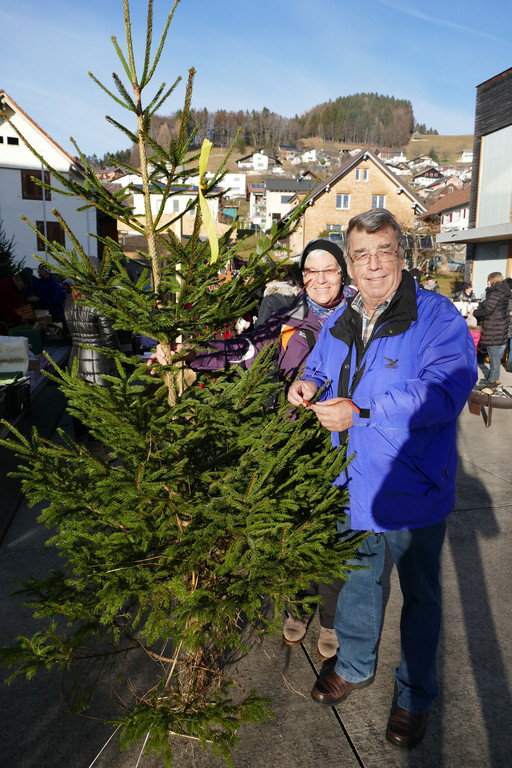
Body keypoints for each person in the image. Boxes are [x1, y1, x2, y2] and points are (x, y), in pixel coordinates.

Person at [287, 209, 477, 749]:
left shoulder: (436, 317)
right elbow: (321, 365)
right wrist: (304, 384)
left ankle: (415, 694)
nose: (372, 266)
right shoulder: (345, 316)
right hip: (349, 482)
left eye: (383, 251)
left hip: (410, 486)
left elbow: (446, 390)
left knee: (421, 596)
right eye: (361, 255)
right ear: (350, 263)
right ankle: (352, 662)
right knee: (359, 583)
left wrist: (362, 408)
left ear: (401, 254)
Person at [148, 238, 350, 660]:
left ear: (342, 270)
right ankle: (297, 607)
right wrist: (188, 356)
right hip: (292, 437)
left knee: (333, 529)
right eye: (310, 272)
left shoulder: (361, 315)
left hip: (344, 442)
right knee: (289, 523)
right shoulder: (288, 316)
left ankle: (330, 619)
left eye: (327, 269)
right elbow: (241, 351)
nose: (318, 279)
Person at [64, 286, 120, 442]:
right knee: (102, 405)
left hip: (76, 357)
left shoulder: (69, 300)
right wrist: (119, 356)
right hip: (99, 360)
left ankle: (83, 446)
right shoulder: (99, 301)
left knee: (80, 404)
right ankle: (101, 448)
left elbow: (67, 332)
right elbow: (109, 338)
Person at [470, 272, 511, 389]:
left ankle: (492, 380)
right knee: (494, 357)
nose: (487, 282)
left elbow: (488, 310)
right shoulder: (502, 292)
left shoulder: (495, 293)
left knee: (493, 357)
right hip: (499, 327)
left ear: (493, 280)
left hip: (494, 329)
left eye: (488, 280)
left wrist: (474, 312)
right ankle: (492, 378)